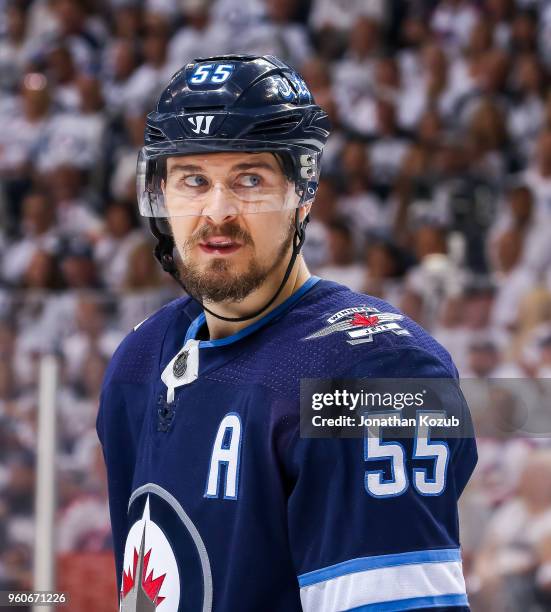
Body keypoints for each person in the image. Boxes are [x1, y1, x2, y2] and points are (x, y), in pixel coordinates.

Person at [96, 55, 478, 612]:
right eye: (192, 180)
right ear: (160, 194)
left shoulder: (379, 371)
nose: (217, 211)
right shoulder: (139, 359)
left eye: (249, 179)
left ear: (302, 192)